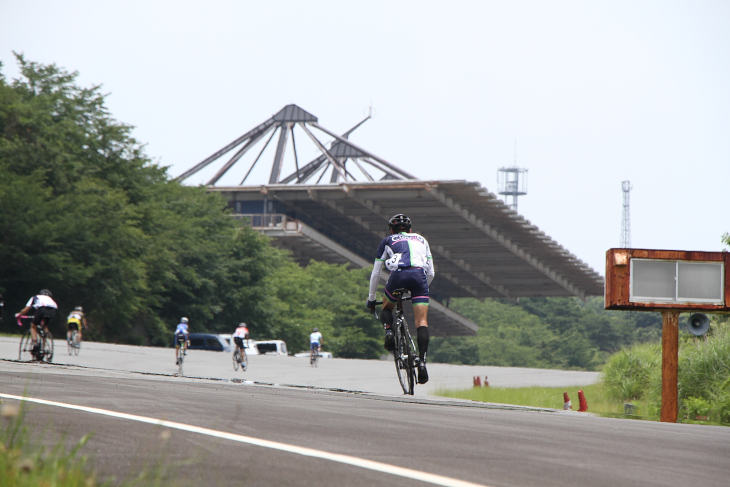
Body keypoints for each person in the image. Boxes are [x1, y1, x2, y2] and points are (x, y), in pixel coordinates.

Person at [366, 214, 434, 384]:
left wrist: (371, 298)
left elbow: (375, 273)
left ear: (391, 230)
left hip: (398, 276)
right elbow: (431, 272)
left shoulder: (387, 240)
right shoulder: (422, 239)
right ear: (410, 230)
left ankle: (389, 331)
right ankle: (423, 362)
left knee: (387, 307)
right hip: (420, 277)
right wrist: (422, 289)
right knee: (422, 322)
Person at [16, 289, 58, 358]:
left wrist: (20, 314)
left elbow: (26, 309)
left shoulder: (35, 297)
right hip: (52, 311)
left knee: (33, 326)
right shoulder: (50, 299)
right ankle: (43, 347)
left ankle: (36, 343)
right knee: (45, 326)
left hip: (42, 309)